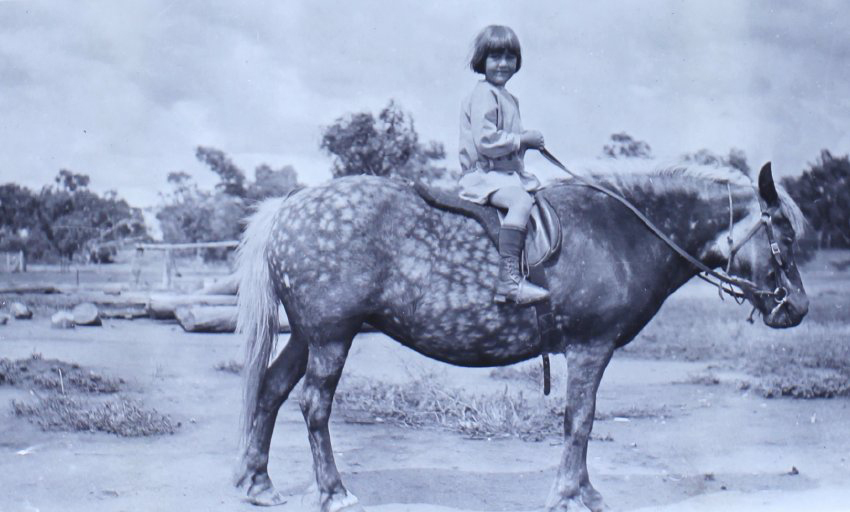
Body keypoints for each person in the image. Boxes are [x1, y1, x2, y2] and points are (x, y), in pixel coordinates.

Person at [458, 25, 549, 305]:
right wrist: (523, 140)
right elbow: (486, 141)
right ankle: (508, 282)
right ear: (481, 61)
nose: (503, 64)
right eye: (495, 57)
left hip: (503, 174)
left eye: (510, 57)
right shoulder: (484, 93)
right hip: (483, 175)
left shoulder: (508, 98)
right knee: (521, 202)